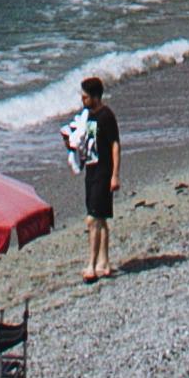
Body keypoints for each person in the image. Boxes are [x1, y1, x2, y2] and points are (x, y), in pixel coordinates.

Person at [67, 73, 120, 280]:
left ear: (95, 97)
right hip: (90, 170)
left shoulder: (106, 116)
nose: (83, 100)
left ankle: (91, 264)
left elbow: (115, 144)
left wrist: (115, 175)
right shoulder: (87, 116)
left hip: (104, 172)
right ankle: (104, 263)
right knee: (101, 218)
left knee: (93, 219)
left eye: (85, 97)